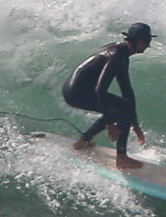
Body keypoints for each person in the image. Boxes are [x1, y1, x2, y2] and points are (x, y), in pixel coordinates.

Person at [62, 22, 155, 169]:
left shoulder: (123, 55)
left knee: (123, 108)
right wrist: (109, 123)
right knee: (122, 109)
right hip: (76, 92)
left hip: (81, 90)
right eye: (146, 41)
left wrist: (135, 124)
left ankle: (84, 140)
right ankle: (121, 158)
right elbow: (100, 89)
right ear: (135, 40)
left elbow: (127, 90)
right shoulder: (116, 56)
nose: (148, 45)